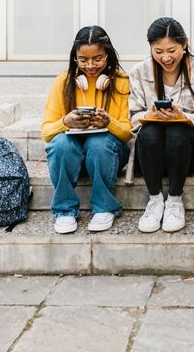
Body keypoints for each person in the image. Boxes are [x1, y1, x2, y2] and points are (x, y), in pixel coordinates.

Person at [41, 25, 132, 234]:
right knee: (61, 143)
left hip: (108, 154)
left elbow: (128, 132)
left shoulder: (120, 81)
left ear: (108, 55)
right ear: (75, 58)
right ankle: (64, 210)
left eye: (97, 59)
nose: (90, 65)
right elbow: (46, 132)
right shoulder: (63, 82)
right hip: (73, 156)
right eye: (83, 60)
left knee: (98, 142)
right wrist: (66, 122)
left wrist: (109, 123)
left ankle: (104, 207)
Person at [129, 17, 194, 233]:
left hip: (188, 151)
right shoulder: (139, 72)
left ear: (184, 44)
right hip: (150, 151)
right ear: (150, 47)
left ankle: (175, 200)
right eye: (158, 51)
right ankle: (155, 200)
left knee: (177, 129)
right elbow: (131, 116)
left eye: (172, 50)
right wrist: (149, 115)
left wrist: (184, 117)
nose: (165, 58)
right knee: (150, 130)